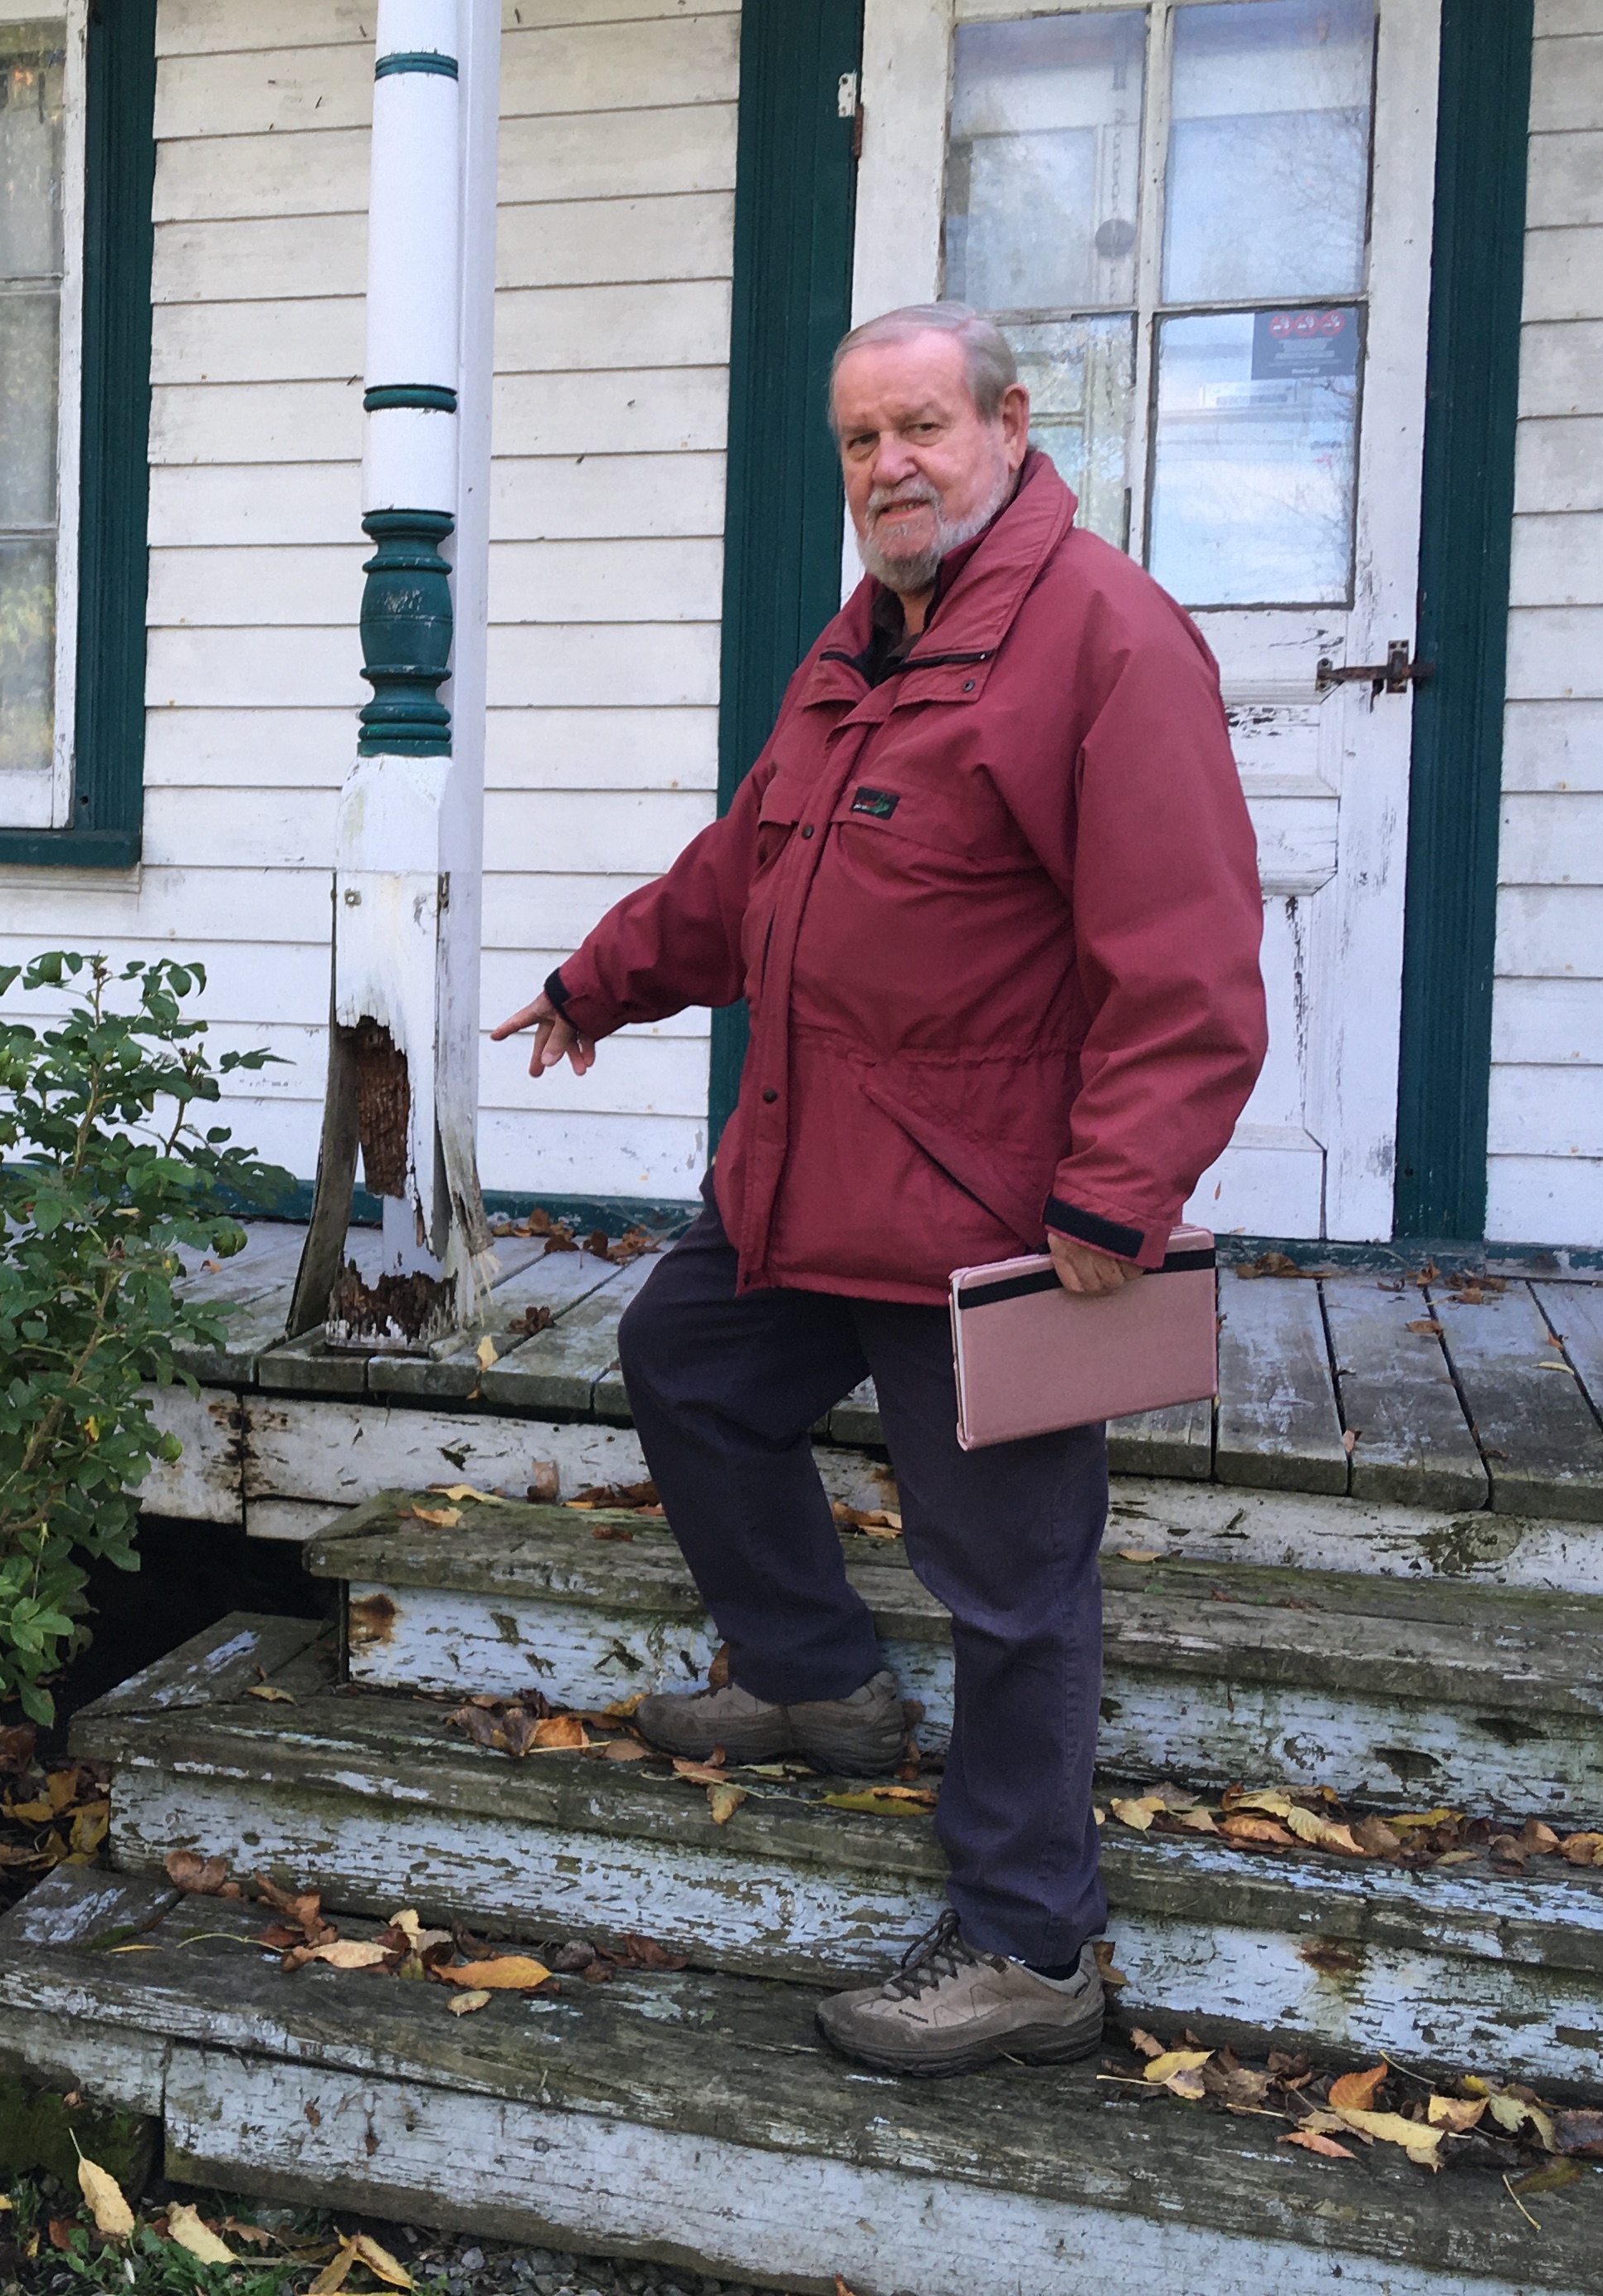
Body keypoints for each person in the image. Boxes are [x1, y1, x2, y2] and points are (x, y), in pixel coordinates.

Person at [492, 302, 1265, 2077]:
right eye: (860, 441)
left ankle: (1030, 1947)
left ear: (1006, 424)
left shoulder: (1106, 641)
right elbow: (746, 864)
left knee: (1011, 1586)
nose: (889, 467)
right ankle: (816, 1679)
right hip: (810, 1178)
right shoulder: (868, 644)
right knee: (688, 1362)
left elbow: (1193, 964)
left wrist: (1114, 1200)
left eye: (921, 427)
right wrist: (604, 978)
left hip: (997, 1224)